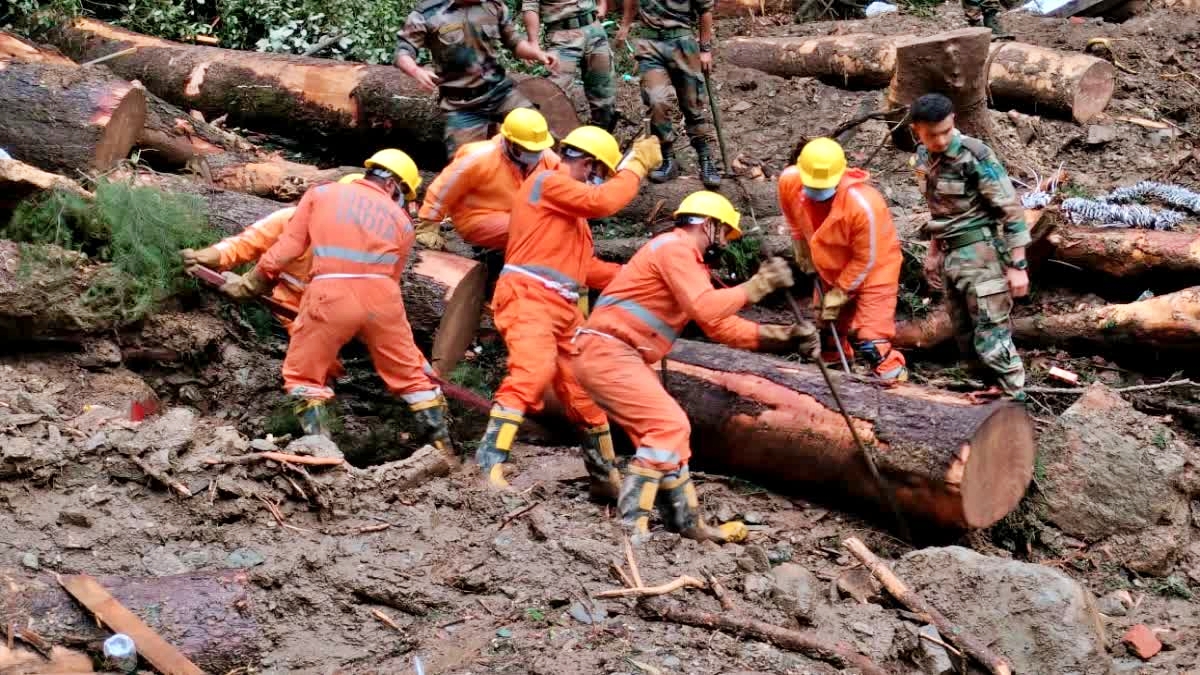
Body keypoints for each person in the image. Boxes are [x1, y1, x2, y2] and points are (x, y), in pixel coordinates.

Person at [570, 191, 817, 543]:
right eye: (725, 233)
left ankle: (686, 523)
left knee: (671, 437)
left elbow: (721, 326)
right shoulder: (674, 248)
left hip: (613, 354)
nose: (725, 243)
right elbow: (704, 308)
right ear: (709, 224)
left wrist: (785, 336)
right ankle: (631, 529)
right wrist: (758, 286)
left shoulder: (686, 260)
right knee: (667, 426)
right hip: (608, 351)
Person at [219, 150, 457, 459]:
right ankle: (444, 452)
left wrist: (254, 281)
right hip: (383, 300)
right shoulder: (403, 221)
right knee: (414, 377)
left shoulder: (321, 194)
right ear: (394, 185)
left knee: (304, 376)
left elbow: (288, 247)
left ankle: (324, 456)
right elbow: (393, 280)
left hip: (329, 293)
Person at [474, 126, 663, 493]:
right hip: (528, 296)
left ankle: (605, 477)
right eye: (598, 174)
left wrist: (636, 277)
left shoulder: (570, 216)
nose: (597, 182)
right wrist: (636, 165)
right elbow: (604, 202)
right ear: (590, 164)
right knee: (533, 372)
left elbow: (584, 268)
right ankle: (487, 466)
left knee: (584, 391)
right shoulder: (548, 182)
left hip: (563, 306)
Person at [910, 93, 1029, 402]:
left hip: (982, 254)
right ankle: (991, 393)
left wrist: (1018, 266)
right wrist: (934, 253)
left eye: (946, 131)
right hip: (951, 256)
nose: (940, 140)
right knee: (965, 334)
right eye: (931, 134)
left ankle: (1014, 400)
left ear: (954, 123)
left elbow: (1011, 210)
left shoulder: (975, 155)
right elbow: (939, 211)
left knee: (992, 332)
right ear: (917, 131)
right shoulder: (923, 158)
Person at [779, 138, 908, 383]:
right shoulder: (790, 181)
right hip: (830, 266)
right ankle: (836, 373)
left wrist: (840, 293)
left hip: (875, 271)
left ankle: (897, 387)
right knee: (827, 327)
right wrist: (800, 245)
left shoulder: (863, 205)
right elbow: (791, 214)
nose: (817, 196)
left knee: (872, 343)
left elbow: (866, 260)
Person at [394, 0, 559, 157]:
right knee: (465, 163)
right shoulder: (428, 12)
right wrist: (416, 70)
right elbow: (403, 52)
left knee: (539, 133)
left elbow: (514, 43)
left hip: (500, 93)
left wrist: (537, 53)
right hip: (461, 104)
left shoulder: (494, 6)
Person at [414, 108, 559, 252]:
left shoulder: (546, 158)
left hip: (521, 215)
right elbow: (444, 188)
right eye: (527, 149)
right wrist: (429, 224)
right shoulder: (479, 158)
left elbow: (568, 183)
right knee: (531, 229)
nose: (533, 154)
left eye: (537, 149)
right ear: (509, 142)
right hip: (477, 217)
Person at [617, 0, 720, 188]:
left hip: (682, 43)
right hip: (650, 45)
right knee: (656, 101)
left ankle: (705, 159)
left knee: (693, 105)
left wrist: (705, 49)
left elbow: (705, 11)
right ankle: (668, 158)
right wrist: (625, 26)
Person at [523, 0, 617, 131]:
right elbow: (530, 6)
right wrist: (533, 42)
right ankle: (550, 145)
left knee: (605, 96)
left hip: (594, 30)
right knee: (554, 95)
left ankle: (599, 142)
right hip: (563, 36)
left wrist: (602, 4)